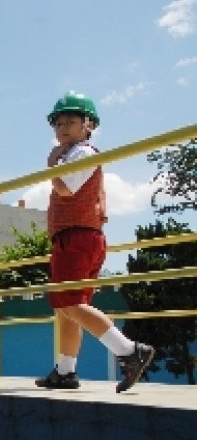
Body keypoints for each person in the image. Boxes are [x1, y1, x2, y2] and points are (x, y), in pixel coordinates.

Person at [36, 91, 154, 393]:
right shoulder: (73, 154)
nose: (62, 128)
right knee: (68, 306)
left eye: (71, 121)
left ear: (88, 125)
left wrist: (52, 166)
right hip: (76, 236)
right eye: (58, 123)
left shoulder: (83, 153)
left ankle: (129, 350)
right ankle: (65, 370)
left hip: (78, 236)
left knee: (70, 302)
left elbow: (65, 190)